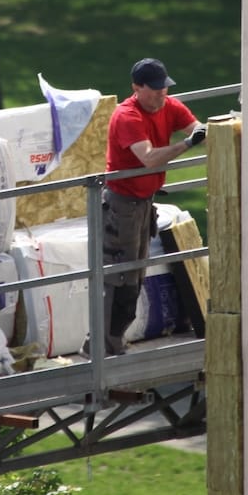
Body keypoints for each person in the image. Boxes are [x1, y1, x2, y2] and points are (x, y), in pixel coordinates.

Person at [95, 57, 205, 357]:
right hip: (122, 205)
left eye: (165, 88)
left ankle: (108, 341)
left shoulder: (169, 105)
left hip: (143, 202)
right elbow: (149, 158)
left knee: (136, 272)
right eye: (155, 89)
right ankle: (104, 344)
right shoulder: (126, 116)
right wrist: (187, 144)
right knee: (122, 275)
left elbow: (197, 129)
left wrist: (214, 132)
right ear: (136, 88)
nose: (162, 94)